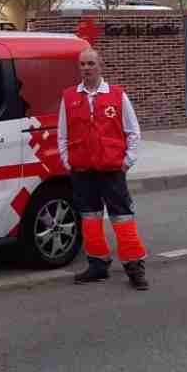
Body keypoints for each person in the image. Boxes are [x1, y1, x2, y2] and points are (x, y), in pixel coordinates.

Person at [57, 47, 149, 291]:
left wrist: (127, 161)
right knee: (89, 218)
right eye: (82, 64)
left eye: (90, 64)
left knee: (122, 218)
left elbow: (133, 131)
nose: (86, 68)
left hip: (112, 170)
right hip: (83, 171)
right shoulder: (68, 97)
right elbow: (62, 135)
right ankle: (98, 265)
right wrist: (69, 163)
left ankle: (134, 266)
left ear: (100, 66)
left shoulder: (117, 95)